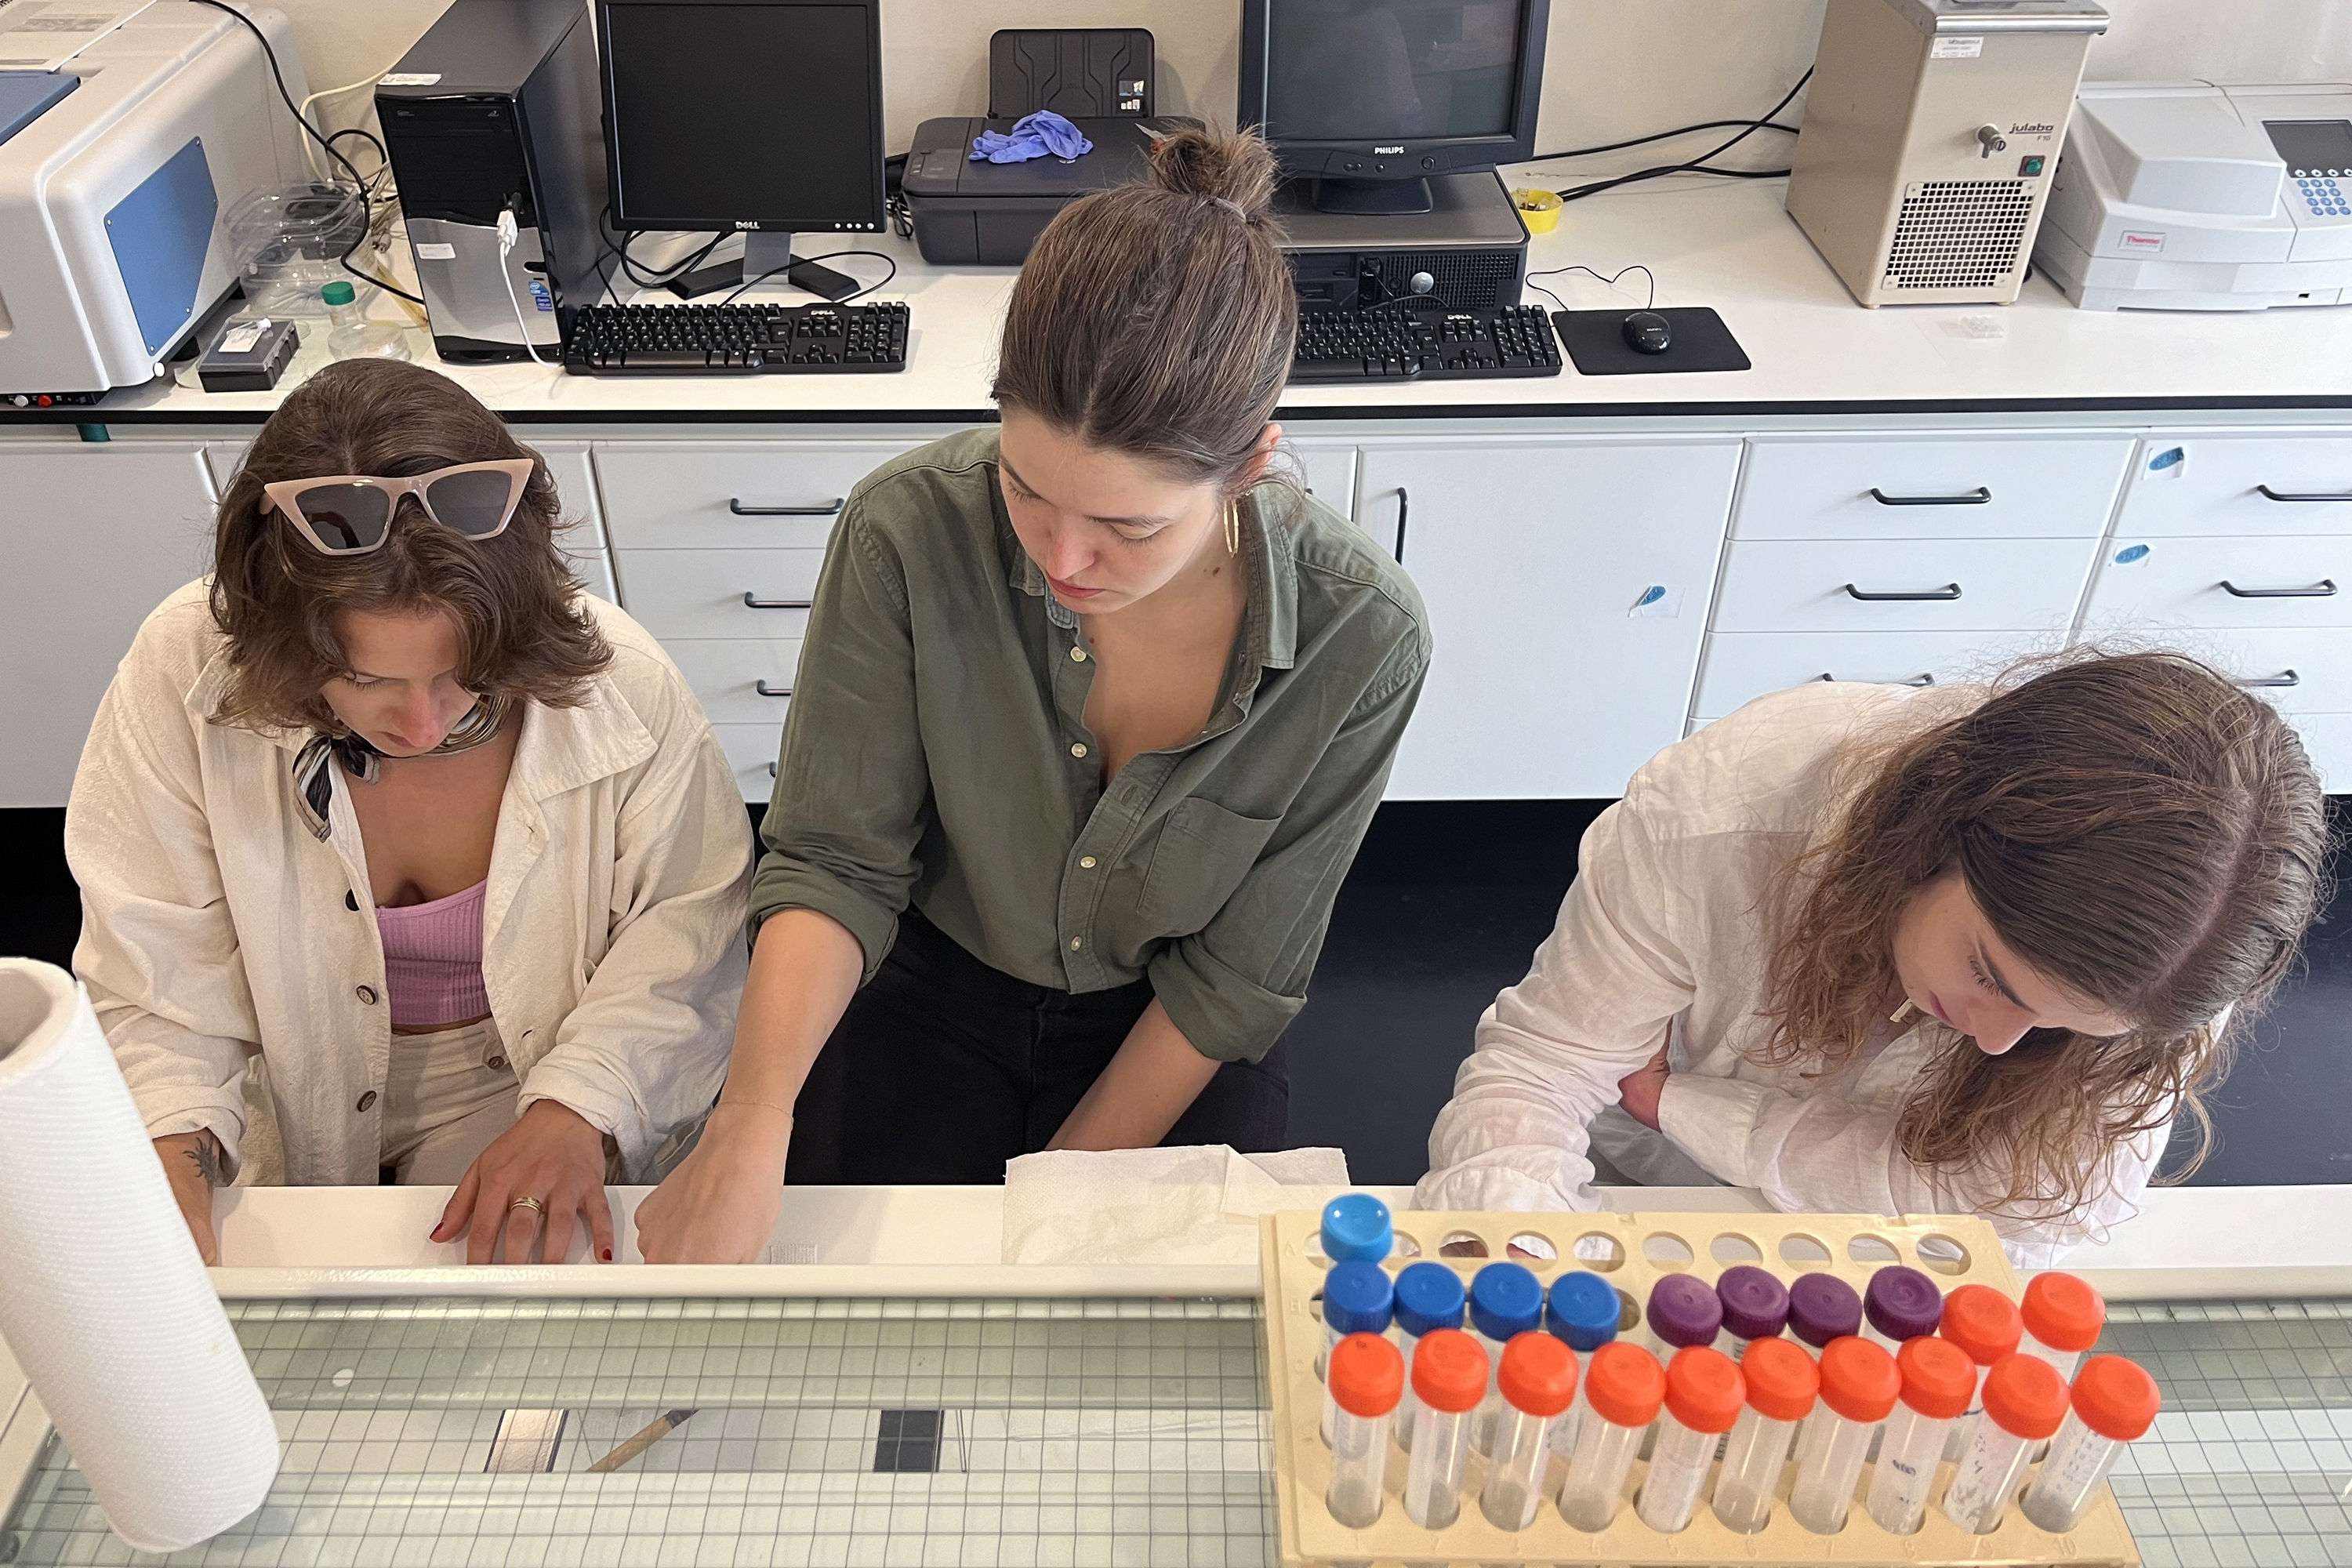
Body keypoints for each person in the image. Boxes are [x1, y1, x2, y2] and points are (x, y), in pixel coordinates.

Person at [636, 128, 1431, 1262]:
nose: (1063, 558)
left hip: (1166, 1023)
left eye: (1130, 526)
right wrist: (748, 1124)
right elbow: (839, 859)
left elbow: (1234, 979)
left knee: (1136, 1351)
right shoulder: (906, 529)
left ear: (1250, 466)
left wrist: (1054, 1201)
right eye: (1024, 488)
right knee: (847, 1303)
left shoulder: (1365, 634)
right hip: (928, 984)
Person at [67, 359, 753, 1266]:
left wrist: (578, 1102)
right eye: (365, 678)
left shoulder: (620, 681)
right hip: (276, 1081)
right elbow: (153, 961)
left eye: (458, 675)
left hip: (528, 1076)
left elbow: (688, 930)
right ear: (280, 639)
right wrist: (168, 1147)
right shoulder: (179, 667)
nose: (423, 724)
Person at [1415, 653, 2328, 1266]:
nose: (2004, 1043)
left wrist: (1690, 1102)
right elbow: (1540, 1073)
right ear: (1935, 819)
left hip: (1898, 1269)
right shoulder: (1724, 813)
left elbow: (2039, 1200)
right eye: (1990, 974)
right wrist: (1515, 1260)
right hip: (1649, 1198)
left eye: (2058, 1026)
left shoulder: (2193, 929)